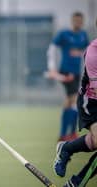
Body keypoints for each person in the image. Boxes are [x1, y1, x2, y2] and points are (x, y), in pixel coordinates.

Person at [53, 28, 97, 187]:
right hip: (91, 102)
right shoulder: (93, 52)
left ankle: (67, 148)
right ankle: (76, 183)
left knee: (95, 142)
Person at [46, 12, 89, 141]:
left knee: (70, 102)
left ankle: (65, 134)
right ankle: (69, 133)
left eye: (80, 21)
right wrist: (52, 68)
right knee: (74, 99)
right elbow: (52, 48)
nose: (78, 23)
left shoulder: (83, 36)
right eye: (76, 20)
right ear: (72, 21)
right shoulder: (64, 34)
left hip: (77, 74)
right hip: (65, 72)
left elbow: (87, 53)